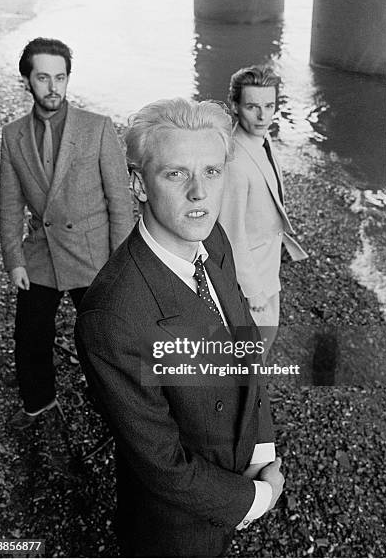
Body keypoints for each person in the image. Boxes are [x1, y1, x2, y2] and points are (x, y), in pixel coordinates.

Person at [75, 98, 284, 558]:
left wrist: (262, 449)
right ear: (139, 184)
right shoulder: (111, 317)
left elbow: (245, 346)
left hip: (238, 471)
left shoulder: (212, 236)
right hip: (175, 527)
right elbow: (163, 464)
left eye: (212, 171)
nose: (200, 194)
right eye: (176, 174)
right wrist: (257, 498)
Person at [0, 37, 134, 429]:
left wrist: (120, 263)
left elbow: (119, 202)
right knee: (29, 335)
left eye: (60, 77)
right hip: (41, 252)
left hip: (91, 255)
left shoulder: (97, 128)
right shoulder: (12, 135)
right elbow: (9, 204)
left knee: (104, 342)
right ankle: (39, 401)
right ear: (27, 80)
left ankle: (120, 409)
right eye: (43, 77)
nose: (53, 87)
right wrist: (14, 259)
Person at [218, 65, 307, 351]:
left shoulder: (262, 139)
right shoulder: (235, 162)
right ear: (234, 106)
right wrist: (253, 291)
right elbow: (231, 235)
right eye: (252, 107)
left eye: (269, 106)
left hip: (268, 267)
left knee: (257, 351)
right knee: (249, 358)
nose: (262, 116)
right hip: (250, 279)